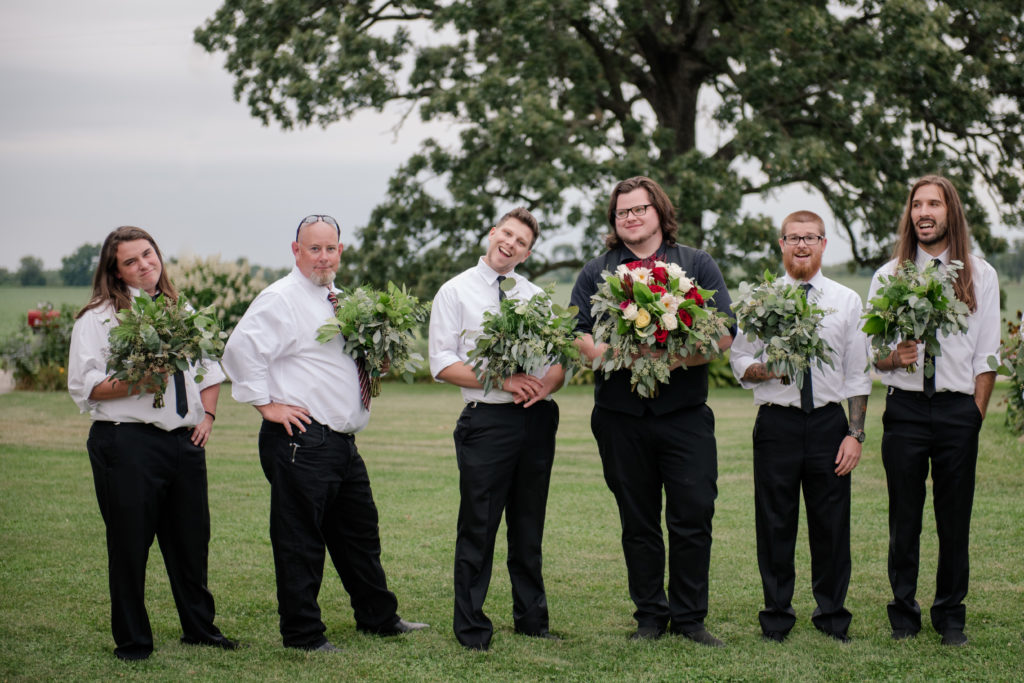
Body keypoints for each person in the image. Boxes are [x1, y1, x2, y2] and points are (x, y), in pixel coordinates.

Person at [221, 214, 427, 652]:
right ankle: (303, 636)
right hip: (301, 439)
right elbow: (239, 350)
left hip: (341, 443)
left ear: (340, 251)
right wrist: (267, 405)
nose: (323, 256)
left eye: (330, 248)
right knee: (300, 541)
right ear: (296, 251)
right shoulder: (280, 298)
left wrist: (377, 362)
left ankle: (378, 617)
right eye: (314, 248)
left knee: (360, 534)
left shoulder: (340, 299)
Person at [569, 176, 734, 646]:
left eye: (639, 209)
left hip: (684, 415)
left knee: (693, 513)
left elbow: (723, 333)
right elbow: (579, 334)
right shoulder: (597, 271)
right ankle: (649, 617)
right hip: (620, 418)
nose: (631, 218)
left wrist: (671, 358)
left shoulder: (696, 263)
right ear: (614, 221)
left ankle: (690, 618)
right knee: (637, 520)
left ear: (659, 212)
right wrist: (617, 355)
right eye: (622, 213)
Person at [68, 226, 237, 661]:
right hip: (126, 443)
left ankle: (200, 630)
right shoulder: (99, 318)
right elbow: (84, 386)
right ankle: (133, 641)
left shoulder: (184, 309)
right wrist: (137, 382)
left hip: (183, 445)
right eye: (131, 261)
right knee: (129, 544)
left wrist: (209, 416)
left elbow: (210, 371)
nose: (144, 264)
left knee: (191, 541)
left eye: (148, 254)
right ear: (116, 271)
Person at [869, 175, 1000, 646]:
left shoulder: (980, 275)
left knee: (954, 519)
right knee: (904, 518)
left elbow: (987, 356)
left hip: (956, 413)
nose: (924, 212)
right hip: (903, 410)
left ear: (951, 213)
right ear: (910, 214)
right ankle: (903, 613)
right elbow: (873, 354)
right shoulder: (888, 276)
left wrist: (975, 415)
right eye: (917, 204)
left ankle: (951, 616)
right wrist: (892, 358)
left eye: (934, 204)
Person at [729, 211, 871, 644]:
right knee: (774, 523)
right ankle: (776, 616)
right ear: (781, 244)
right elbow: (739, 358)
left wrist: (855, 433)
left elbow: (857, 373)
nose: (802, 245)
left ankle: (832, 616)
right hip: (777, 423)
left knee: (831, 525)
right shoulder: (761, 300)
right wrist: (763, 369)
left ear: (824, 243)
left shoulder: (846, 300)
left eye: (810, 237)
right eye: (793, 238)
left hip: (829, 423)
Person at [428, 208, 565, 651]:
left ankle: (532, 621)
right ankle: (471, 628)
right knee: (479, 526)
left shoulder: (535, 297)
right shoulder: (455, 291)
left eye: (521, 242)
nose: (511, 244)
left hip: (536, 420)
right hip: (486, 421)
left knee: (529, 525)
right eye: (507, 234)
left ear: (526, 253)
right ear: (492, 233)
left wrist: (547, 383)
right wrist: (503, 381)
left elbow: (556, 363)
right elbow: (443, 364)